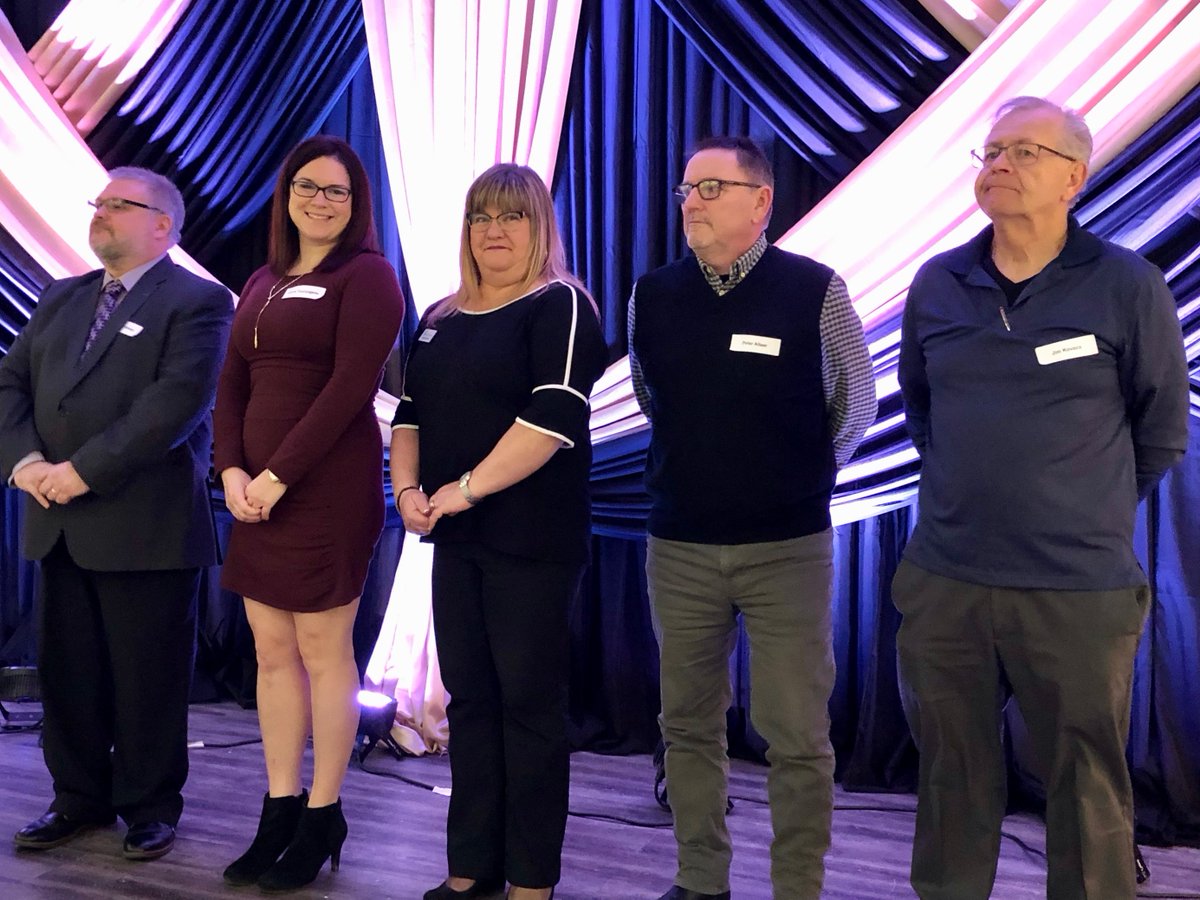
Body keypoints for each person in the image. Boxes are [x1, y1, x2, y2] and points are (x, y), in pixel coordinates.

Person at [895, 97, 1190, 899]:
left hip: (1077, 588)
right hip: (947, 580)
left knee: (1087, 786)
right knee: (950, 780)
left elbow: (1161, 429)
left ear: (1074, 178)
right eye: (992, 151)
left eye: (1025, 151)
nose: (1000, 163)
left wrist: (1079, 508)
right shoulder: (938, 282)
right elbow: (922, 411)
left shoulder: (1127, 285)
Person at [629, 136, 876, 900]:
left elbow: (855, 404)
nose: (691, 203)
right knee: (686, 724)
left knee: (796, 732)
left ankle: (797, 887)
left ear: (761, 201)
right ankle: (701, 880)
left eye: (711, 188)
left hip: (786, 549)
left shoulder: (814, 290)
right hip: (681, 546)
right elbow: (652, 399)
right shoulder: (652, 295)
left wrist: (793, 479)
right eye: (686, 189)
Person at [1, 168, 231, 861]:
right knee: (68, 675)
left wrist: (81, 472)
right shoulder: (62, 295)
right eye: (97, 203)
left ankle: (150, 807)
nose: (100, 213)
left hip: (146, 525)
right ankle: (76, 798)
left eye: (117, 204)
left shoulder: (198, 300)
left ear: (163, 224)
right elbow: (10, 381)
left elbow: (173, 405)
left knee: (147, 678)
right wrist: (25, 463)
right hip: (58, 523)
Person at [391, 163, 607, 900]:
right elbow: (409, 415)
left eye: (512, 216)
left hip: (532, 541)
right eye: (481, 216)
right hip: (456, 540)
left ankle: (531, 880)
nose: (494, 230)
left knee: (528, 707)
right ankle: (471, 867)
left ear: (539, 226)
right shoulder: (439, 316)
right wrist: (407, 490)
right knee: (470, 701)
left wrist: (462, 491)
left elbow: (552, 419)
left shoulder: (560, 305)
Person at [212, 135, 404, 892]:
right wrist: (231, 469)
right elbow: (232, 384)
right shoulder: (261, 279)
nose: (321, 201)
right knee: (270, 653)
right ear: (286, 194)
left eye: (337, 191)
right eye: (308, 187)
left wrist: (277, 476)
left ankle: (324, 812)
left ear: (356, 204)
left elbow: (350, 388)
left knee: (324, 652)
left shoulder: (368, 276)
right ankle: (280, 808)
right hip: (254, 493)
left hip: (324, 491)